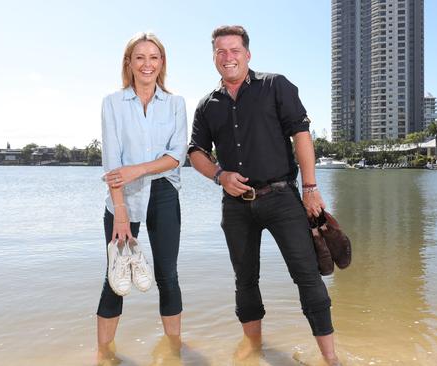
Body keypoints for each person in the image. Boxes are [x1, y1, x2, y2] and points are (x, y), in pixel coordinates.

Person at [188, 25, 339, 365]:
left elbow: (301, 134)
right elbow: (196, 151)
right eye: (221, 52)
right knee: (245, 280)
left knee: (307, 275)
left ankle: (331, 359)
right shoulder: (206, 105)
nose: (228, 57)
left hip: (282, 197)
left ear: (247, 54)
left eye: (234, 50)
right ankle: (255, 353)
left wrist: (310, 188)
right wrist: (219, 175)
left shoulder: (275, 85)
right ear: (213, 57)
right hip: (236, 205)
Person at [96, 32, 187, 363]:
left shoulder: (176, 104)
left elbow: (176, 156)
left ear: (161, 63)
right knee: (114, 279)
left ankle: (174, 352)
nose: (147, 64)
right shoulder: (113, 103)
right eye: (140, 57)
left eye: (154, 57)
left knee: (168, 276)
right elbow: (112, 163)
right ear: (129, 63)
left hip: (163, 193)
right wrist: (120, 211)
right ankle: (104, 355)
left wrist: (137, 170)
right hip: (121, 197)